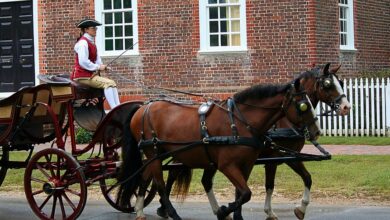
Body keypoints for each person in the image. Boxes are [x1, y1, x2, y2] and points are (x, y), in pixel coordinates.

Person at [71, 18, 120, 109]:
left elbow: (97, 59)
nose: (95, 30)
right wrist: (98, 67)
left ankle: (118, 107)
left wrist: (102, 66)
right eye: (93, 28)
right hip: (82, 76)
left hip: (90, 75)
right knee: (109, 83)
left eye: (96, 28)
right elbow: (83, 62)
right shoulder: (83, 43)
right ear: (86, 30)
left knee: (112, 83)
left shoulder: (91, 43)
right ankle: (115, 109)